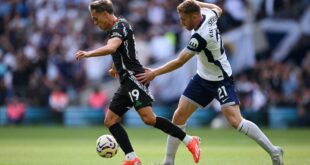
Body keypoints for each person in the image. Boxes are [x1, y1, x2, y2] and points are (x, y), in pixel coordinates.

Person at [136, 1, 284, 165]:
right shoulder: (208, 15)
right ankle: (168, 162)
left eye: (184, 19)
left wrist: (154, 73)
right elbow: (218, 9)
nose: (182, 22)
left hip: (221, 79)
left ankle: (274, 151)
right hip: (202, 78)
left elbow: (180, 61)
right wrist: (196, 3)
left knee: (235, 121)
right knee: (179, 115)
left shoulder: (201, 36)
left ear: (194, 17)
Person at [75, 1, 201, 165]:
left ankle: (190, 141)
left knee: (148, 119)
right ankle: (131, 158)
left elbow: (112, 48)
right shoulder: (118, 27)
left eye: (96, 18)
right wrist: (115, 67)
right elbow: (122, 52)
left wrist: (87, 54)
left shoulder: (120, 26)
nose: (94, 22)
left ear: (105, 13)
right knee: (110, 121)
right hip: (126, 80)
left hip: (134, 78)